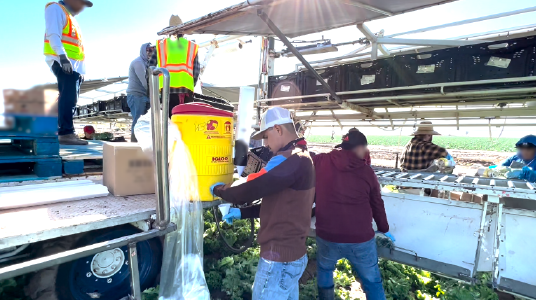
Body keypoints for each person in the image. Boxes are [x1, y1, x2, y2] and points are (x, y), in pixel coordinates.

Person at [210, 107, 315, 300]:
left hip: (279, 260)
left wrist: (219, 190)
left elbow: (249, 189)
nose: (266, 144)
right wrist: (242, 213)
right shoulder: (301, 156)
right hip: (293, 255)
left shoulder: (290, 160)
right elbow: (280, 205)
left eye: (266, 136)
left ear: (278, 129)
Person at [311, 129, 392, 300]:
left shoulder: (322, 161)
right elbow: (377, 203)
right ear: (360, 148)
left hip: (327, 234)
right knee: (372, 281)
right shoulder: (367, 172)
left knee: (325, 269)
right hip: (359, 239)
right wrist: (384, 228)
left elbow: (306, 155)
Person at [44, 0, 92, 145]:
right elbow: (53, 34)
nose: (82, 8)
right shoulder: (56, 9)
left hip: (74, 66)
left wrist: (81, 70)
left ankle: (67, 131)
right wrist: (63, 57)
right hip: (64, 62)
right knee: (68, 98)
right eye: (81, 4)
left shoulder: (71, 18)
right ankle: (66, 133)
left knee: (70, 98)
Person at [156, 15, 200, 118]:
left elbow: (150, 69)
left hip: (167, 91)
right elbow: (196, 71)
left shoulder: (161, 45)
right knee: (186, 121)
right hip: (186, 91)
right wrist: (190, 85)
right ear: (183, 30)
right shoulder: (191, 46)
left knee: (170, 122)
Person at [127, 43, 155, 142]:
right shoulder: (138, 62)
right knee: (138, 120)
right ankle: (134, 144)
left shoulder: (148, 63)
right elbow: (144, 82)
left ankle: (143, 143)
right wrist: (155, 94)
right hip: (136, 95)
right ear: (144, 50)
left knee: (145, 121)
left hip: (144, 95)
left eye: (152, 50)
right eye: (148, 50)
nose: (150, 53)